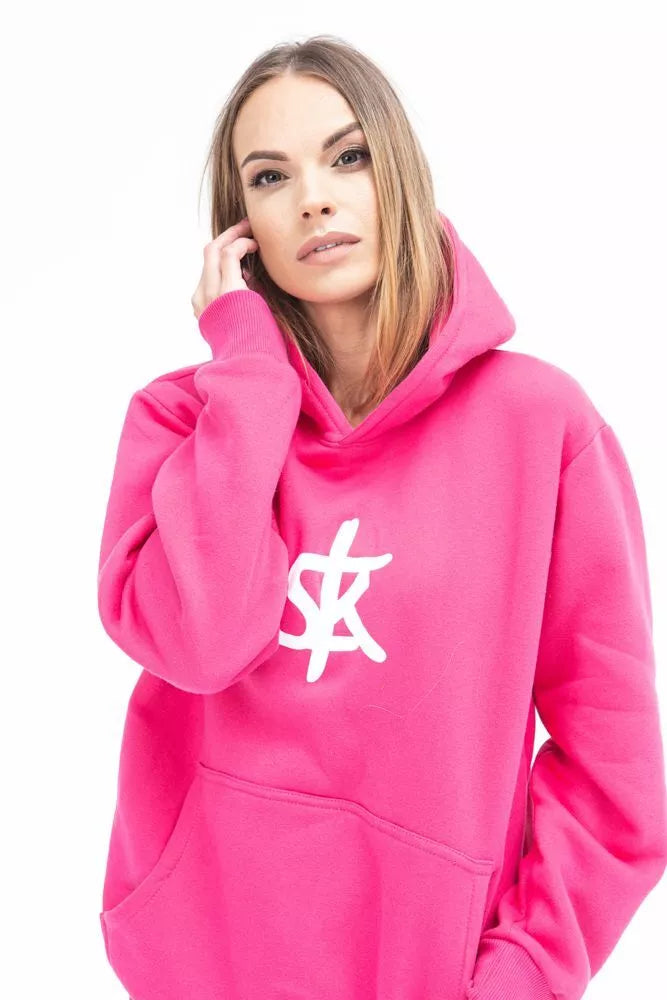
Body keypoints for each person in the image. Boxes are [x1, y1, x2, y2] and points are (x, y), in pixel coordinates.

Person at [97, 34, 667, 1000]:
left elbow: (615, 772)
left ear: (397, 173)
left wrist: (522, 975)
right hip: (206, 961)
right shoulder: (182, 421)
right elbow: (201, 642)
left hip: (432, 972)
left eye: (347, 156)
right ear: (239, 229)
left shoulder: (540, 427)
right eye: (270, 176)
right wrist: (247, 377)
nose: (313, 198)